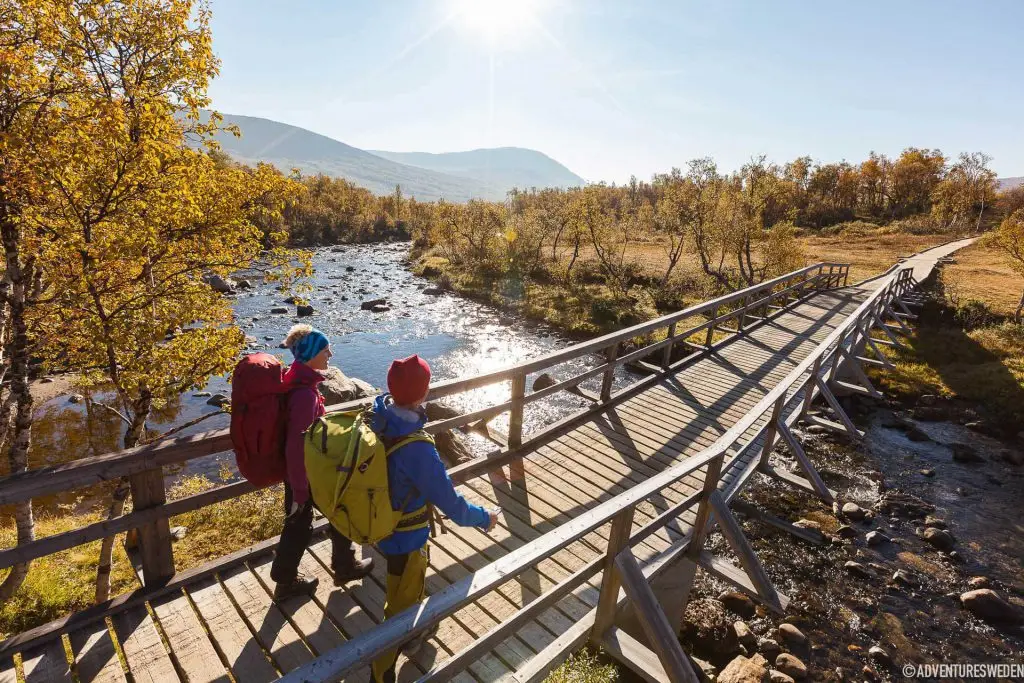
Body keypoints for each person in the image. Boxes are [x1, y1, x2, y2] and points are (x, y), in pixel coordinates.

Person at [371, 354, 500, 683]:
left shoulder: (379, 416)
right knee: (397, 607)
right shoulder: (418, 448)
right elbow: (451, 505)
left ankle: (409, 633)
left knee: (400, 587)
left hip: (384, 524)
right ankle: (380, 671)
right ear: (422, 394)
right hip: (407, 536)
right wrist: (485, 517)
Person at [270, 324, 374, 601]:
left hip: (304, 474)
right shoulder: (304, 394)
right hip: (306, 475)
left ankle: (296, 578)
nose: (330, 353)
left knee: (304, 523)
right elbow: (296, 445)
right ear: (310, 354)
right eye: (325, 349)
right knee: (322, 518)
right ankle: (339, 568)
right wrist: (301, 490)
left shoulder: (300, 383)